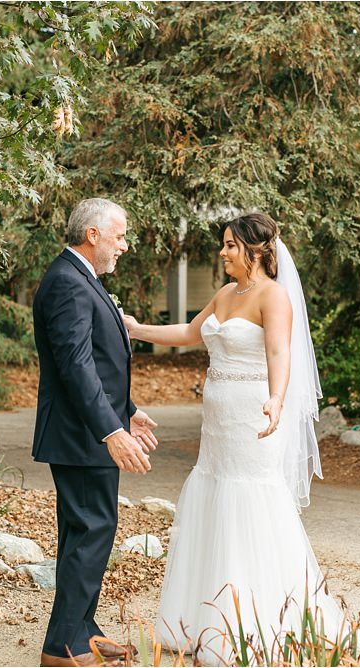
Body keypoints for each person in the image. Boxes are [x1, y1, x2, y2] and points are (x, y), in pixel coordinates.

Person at [123, 212, 342, 664]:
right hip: (217, 423)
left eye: (230, 245)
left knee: (250, 503)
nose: (222, 252)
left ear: (257, 251)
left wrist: (277, 399)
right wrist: (136, 328)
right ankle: (202, 619)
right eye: (223, 244)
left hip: (252, 418)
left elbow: (280, 351)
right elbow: (188, 332)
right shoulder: (225, 294)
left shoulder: (273, 296)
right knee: (215, 495)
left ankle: (252, 623)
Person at [31, 198, 158, 667]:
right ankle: (62, 648)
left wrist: (128, 412)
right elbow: (75, 366)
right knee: (91, 531)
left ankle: (84, 630)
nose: (124, 246)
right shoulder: (69, 281)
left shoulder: (80, 278)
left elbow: (99, 363)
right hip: (81, 436)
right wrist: (110, 431)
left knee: (85, 534)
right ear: (94, 235)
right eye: (120, 236)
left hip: (88, 431)